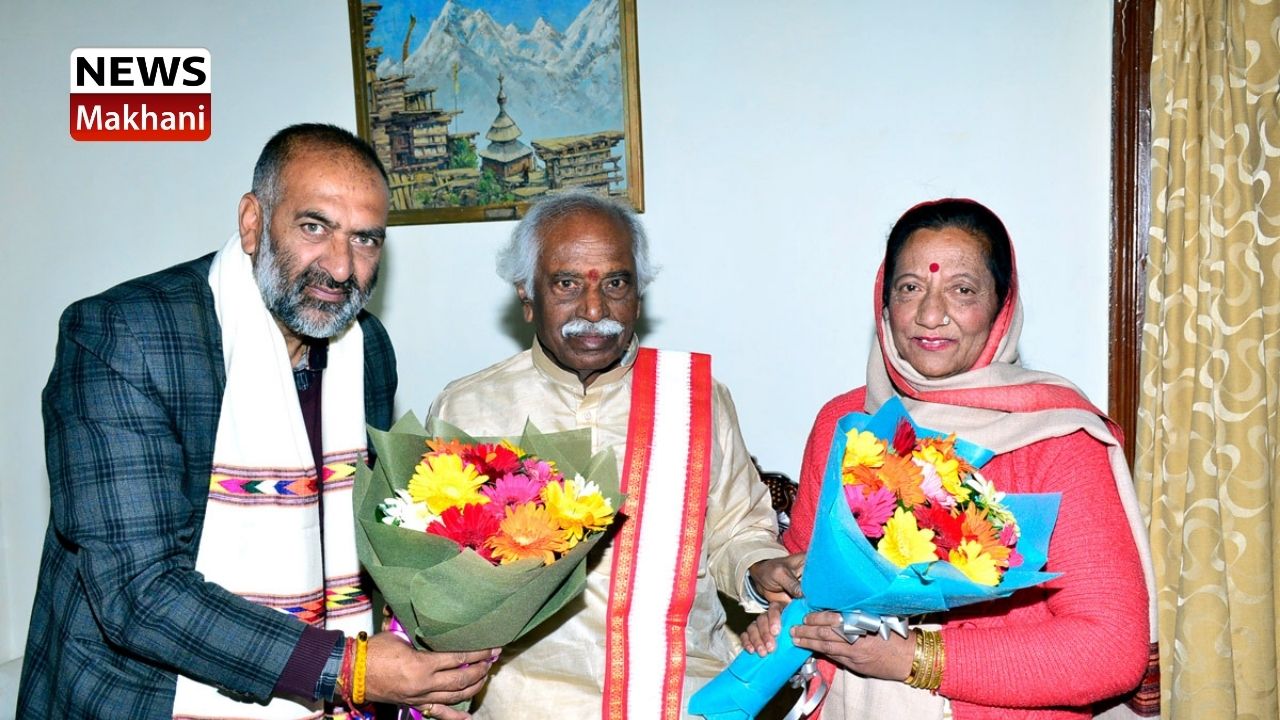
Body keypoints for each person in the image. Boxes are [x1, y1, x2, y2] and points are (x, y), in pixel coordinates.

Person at [18, 123, 494, 720]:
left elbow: (364, 540)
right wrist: (351, 669)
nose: (341, 268)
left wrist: (427, 651)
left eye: (365, 239)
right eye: (314, 227)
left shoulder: (366, 349)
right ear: (252, 222)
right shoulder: (126, 336)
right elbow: (137, 593)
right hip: (141, 698)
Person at [741, 198, 1156, 719]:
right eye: (910, 288)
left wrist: (915, 658)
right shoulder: (844, 422)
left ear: (1002, 306)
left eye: (962, 290)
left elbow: (1108, 650)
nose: (930, 315)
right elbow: (809, 577)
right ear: (884, 303)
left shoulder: (1057, 438)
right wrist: (784, 611)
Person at [427, 190, 804, 719]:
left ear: (639, 296)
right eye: (567, 284)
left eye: (616, 283)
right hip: (525, 702)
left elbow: (738, 530)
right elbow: (437, 577)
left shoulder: (693, 398)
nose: (594, 310)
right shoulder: (469, 408)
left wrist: (759, 567)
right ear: (526, 295)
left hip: (682, 694)